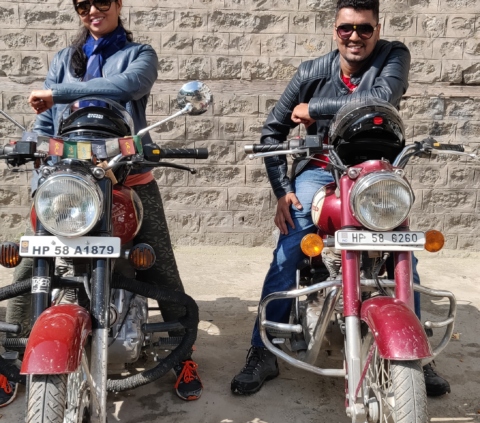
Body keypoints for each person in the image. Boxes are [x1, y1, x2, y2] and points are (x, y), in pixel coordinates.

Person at [231, 0, 450, 397]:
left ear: (377, 29)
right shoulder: (310, 72)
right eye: (346, 28)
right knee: (292, 246)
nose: (355, 36)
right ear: (335, 30)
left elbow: (381, 97)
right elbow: (272, 132)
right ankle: (262, 349)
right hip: (320, 170)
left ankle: (417, 355)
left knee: (402, 249)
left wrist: (313, 108)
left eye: (364, 28)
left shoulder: (393, 56)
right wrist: (282, 191)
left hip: (375, 173)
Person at [4, 0, 202, 402]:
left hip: (128, 173)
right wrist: (29, 144)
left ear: (118, 4)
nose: (93, 10)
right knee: (29, 259)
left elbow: (125, 88)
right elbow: (47, 121)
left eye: (102, 1)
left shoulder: (139, 54)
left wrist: (57, 92)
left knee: (160, 266)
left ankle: (182, 354)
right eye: (83, 4)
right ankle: (11, 356)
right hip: (70, 181)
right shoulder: (66, 59)